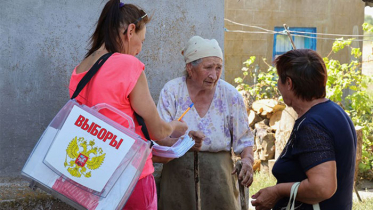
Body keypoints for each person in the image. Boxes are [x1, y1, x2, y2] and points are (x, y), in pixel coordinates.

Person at [68, 1, 188, 209]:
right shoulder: (128, 65)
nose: (140, 49)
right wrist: (175, 127)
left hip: (92, 175)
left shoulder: (81, 68)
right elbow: (157, 130)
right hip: (131, 177)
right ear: (130, 31)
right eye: (142, 40)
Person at [156, 36, 255, 210]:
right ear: (190, 68)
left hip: (219, 178)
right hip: (177, 176)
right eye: (208, 67)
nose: (214, 75)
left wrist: (247, 160)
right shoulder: (172, 91)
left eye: (218, 68)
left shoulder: (230, 95)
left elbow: (244, 140)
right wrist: (185, 143)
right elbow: (158, 136)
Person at [251, 49, 357, 210]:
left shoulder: (312, 126)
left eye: (279, 79)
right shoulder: (334, 111)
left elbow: (322, 187)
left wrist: (277, 191)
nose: (277, 85)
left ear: (289, 83)